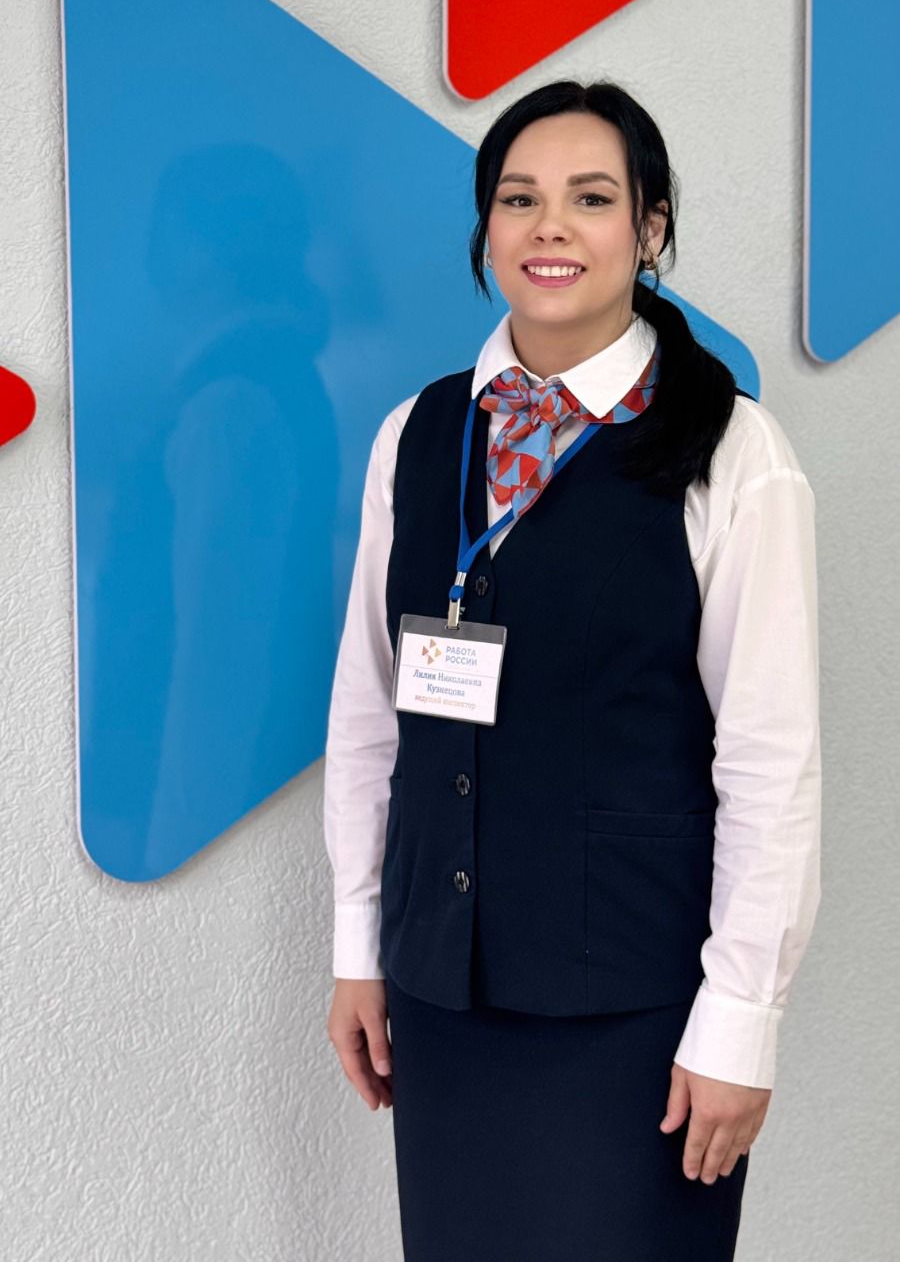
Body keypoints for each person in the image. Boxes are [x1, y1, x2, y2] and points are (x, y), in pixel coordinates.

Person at [323, 78, 822, 1261]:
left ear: (650, 227)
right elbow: (369, 715)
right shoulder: (417, 434)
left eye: (591, 198)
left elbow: (772, 762)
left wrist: (741, 1018)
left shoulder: (734, 451)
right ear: (486, 228)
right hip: (442, 997)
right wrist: (358, 947)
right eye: (519, 198)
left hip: (638, 1019)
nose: (550, 226)